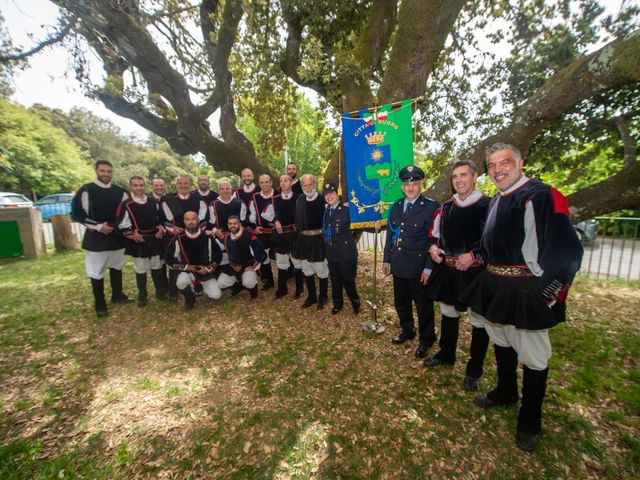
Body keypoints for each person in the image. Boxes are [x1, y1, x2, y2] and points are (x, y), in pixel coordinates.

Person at [460, 143, 583, 452]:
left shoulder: (542, 195)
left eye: (505, 163)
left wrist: (548, 294)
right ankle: (505, 391)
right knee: (500, 340)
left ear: (520, 163)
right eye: (492, 165)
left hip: (527, 289)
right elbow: (487, 245)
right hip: (495, 286)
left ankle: (530, 420)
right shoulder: (496, 202)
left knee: (533, 356)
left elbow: (568, 252)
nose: (498, 169)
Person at [423, 160, 491, 392]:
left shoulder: (488, 206)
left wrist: (474, 256)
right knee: (448, 313)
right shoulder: (446, 208)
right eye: (455, 177)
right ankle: (447, 353)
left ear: (474, 177)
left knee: (478, 321)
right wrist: (433, 248)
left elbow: (496, 242)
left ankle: (474, 370)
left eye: (463, 175)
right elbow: (434, 236)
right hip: (449, 271)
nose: (459, 180)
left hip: (476, 274)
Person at [382, 165, 440, 358]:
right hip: (399, 264)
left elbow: (436, 240)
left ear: (420, 185)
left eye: (415, 183)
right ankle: (408, 330)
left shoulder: (432, 207)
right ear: (402, 186)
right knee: (401, 303)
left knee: (423, 306)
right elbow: (391, 234)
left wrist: (429, 268)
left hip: (419, 267)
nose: (410, 187)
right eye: (407, 183)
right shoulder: (397, 206)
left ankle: (427, 339)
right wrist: (387, 259)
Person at [71, 160, 131, 317]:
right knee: (97, 270)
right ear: (97, 171)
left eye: (108, 171)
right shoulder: (86, 190)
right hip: (96, 236)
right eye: (102, 171)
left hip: (116, 235)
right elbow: (79, 213)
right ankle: (100, 304)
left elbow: (127, 213)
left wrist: (118, 227)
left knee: (117, 265)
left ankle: (118, 295)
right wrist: (99, 226)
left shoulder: (121, 192)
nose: (106, 174)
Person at [117, 176, 167, 307]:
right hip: (139, 240)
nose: (139, 188)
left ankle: (159, 292)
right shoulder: (127, 205)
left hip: (154, 238)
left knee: (157, 266)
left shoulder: (152, 202)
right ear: (131, 187)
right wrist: (131, 233)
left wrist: (161, 229)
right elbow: (122, 224)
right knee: (141, 269)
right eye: (136, 185)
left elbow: (159, 219)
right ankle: (142, 295)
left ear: (145, 186)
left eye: (141, 185)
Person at [159, 175, 208, 301]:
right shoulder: (168, 200)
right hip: (175, 235)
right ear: (176, 185)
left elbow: (203, 218)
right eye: (180, 183)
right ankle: (173, 290)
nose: (183, 186)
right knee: (174, 261)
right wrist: (173, 229)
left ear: (190, 185)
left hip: (194, 234)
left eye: (186, 183)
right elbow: (164, 219)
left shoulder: (198, 199)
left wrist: (197, 231)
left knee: (195, 258)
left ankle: (197, 284)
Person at [165, 210, 223, 309]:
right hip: (187, 271)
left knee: (216, 295)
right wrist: (187, 267)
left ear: (198, 220)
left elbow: (218, 256)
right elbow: (169, 259)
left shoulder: (207, 237)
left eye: (193, 219)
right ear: (184, 221)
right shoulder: (178, 238)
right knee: (181, 282)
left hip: (204, 271)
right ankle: (190, 297)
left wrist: (208, 268)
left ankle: (200, 287)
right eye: (187, 219)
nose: (191, 222)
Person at [322, 182, 360, 315]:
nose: (329, 196)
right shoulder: (327, 211)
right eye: (326, 194)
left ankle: (355, 302)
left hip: (345, 253)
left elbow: (359, 224)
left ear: (338, 194)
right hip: (331, 252)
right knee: (335, 280)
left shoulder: (347, 210)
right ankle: (338, 304)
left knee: (348, 280)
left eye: (331, 193)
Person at [291, 174, 329, 309]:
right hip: (303, 240)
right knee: (306, 269)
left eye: (310, 184)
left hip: (318, 239)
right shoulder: (300, 200)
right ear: (301, 187)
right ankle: (312, 296)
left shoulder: (323, 199)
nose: (308, 188)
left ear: (315, 184)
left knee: (321, 269)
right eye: (305, 185)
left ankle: (323, 297)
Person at [215, 215, 267, 298]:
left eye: (235, 223)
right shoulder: (227, 238)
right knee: (221, 283)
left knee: (249, 282)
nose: (232, 226)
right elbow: (221, 241)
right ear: (228, 225)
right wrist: (214, 232)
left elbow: (262, 255)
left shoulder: (250, 237)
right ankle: (239, 285)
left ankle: (253, 289)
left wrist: (253, 267)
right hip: (234, 267)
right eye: (230, 224)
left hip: (247, 266)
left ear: (240, 224)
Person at [273, 174, 302, 299]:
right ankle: (282, 289)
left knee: (297, 261)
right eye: (281, 181)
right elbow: (271, 214)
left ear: (291, 183)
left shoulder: (299, 198)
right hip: (281, 235)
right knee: (281, 261)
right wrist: (275, 220)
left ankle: (299, 289)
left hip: (294, 234)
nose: (283, 183)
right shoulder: (275, 199)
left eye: (286, 180)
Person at [248, 174, 277, 290]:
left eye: (266, 182)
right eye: (262, 182)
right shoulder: (254, 197)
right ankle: (269, 281)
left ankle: (285, 280)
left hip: (276, 232)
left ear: (271, 183)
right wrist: (254, 226)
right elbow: (251, 215)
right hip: (262, 232)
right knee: (265, 257)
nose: (264, 184)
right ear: (259, 184)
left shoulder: (278, 195)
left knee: (280, 257)